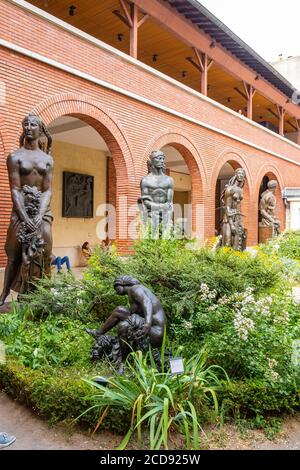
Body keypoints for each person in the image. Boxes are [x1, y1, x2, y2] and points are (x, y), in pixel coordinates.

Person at [0, 113, 53, 306]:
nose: (29, 127)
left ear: (41, 130)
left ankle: (41, 291)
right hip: (20, 209)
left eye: (33, 124)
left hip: (42, 211)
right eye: (26, 124)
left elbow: (47, 190)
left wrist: (39, 215)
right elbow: (14, 189)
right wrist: (24, 217)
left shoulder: (47, 160)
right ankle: (4, 293)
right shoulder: (14, 157)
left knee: (46, 248)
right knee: (13, 253)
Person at [138, 150, 174, 239]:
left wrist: (164, 209)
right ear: (152, 161)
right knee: (150, 240)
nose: (161, 161)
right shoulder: (145, 180)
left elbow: (169, 201)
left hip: (165, 214)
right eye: (159, 158)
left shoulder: (169, 180)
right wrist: (160, 207)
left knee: (166, 241)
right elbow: (145, 201)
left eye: (163, 159)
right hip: (150, 213)